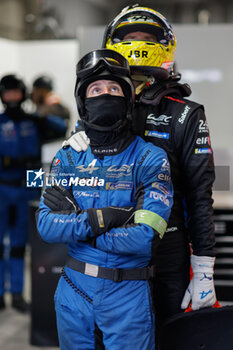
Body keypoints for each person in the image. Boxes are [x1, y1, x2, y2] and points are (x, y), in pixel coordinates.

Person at [64, 5, 216, 347]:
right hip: (105, 247)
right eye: (130, 38)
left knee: (167, 337)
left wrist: (204, 264)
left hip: (166, 251)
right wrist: (70, 158)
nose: (138, 44)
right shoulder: (94, 106)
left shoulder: (184, 114)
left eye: (147, 38)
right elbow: (70, 189)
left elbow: (199, 192)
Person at [36, 48, 173, 350]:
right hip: (73, 291)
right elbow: (46, 226)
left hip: (128, 294)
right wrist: (102, 218)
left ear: (128, 99)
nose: (105, 94)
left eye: (114, 88)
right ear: (83, 101)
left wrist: (80, 228)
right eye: (95, 89)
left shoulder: (151, 158)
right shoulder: (69, 156)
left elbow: (146, 238)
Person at [0, 74, 68, 312]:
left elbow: (62, 127)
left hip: (28, 183)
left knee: (20, 244)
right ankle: (0, 294)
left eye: (16, 92)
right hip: (2, 185)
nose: (12, 97)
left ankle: (17, 294)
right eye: (7, 93)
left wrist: (42, 112)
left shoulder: (35, 121)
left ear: (23, 93)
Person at [31, 75, 70, 140]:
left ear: (43, 91)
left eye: (36, 90)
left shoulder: (56, 108)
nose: (34, 94)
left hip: (54, 145)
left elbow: (63, 126)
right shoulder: (41, 107)